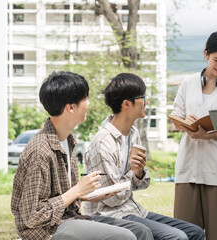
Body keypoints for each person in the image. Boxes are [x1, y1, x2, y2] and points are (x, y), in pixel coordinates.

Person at [11, 71, 153, 240]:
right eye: (85, 99)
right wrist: (77, 190)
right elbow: (32, 216)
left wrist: (86, 195)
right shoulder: (40, 151)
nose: (88, 103)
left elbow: (62, 198)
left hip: (69, 218)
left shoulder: (67, 141)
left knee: (141, 231)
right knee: (125, 237)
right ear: (71, 107)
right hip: (45, 231)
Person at [83, 73, 205, 240]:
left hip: (133, 210)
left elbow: (143, 183)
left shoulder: (133, 133)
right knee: (177, 237)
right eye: (142, 97)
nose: (146, 101)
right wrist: (133, 173)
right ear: (126, 104)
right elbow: (112, 199)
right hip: (109, 214)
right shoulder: (103, 143)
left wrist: (139, 172)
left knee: (195, 233)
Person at [170, 31, 217, 239]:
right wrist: (187, 124)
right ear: (206, 55)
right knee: (183, 234)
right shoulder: (188, 83)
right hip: (187, 170)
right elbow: (175, 118)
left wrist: (208, 135)